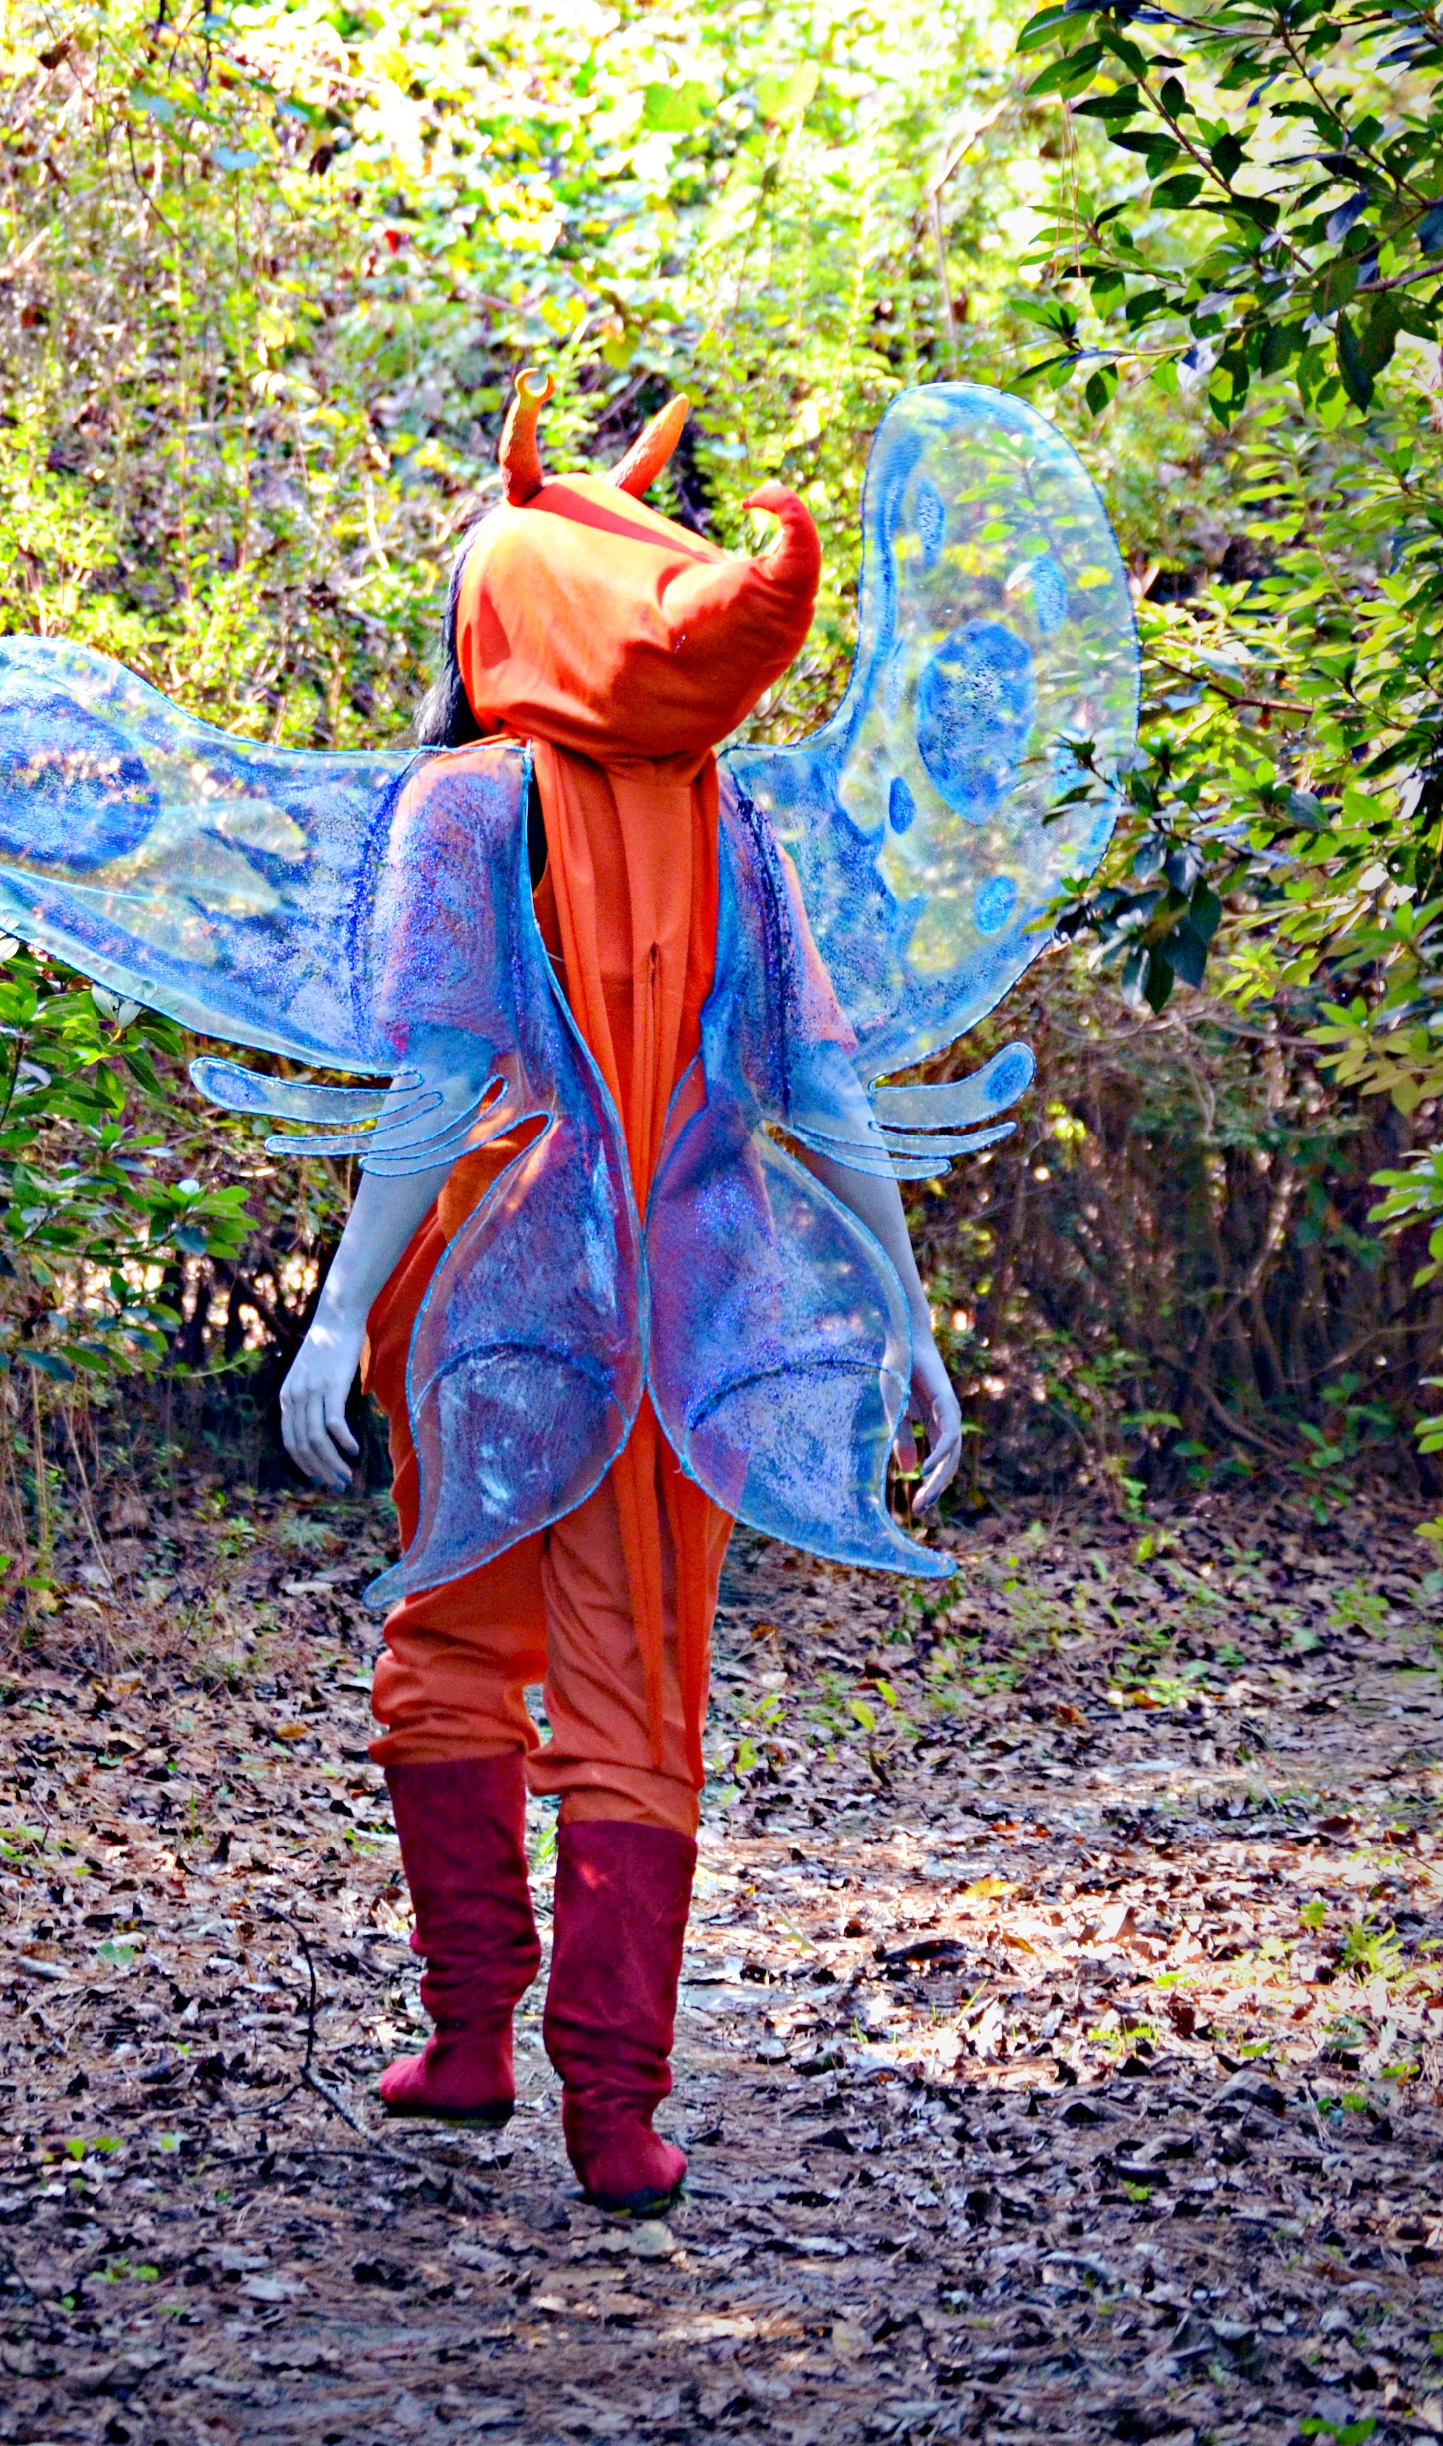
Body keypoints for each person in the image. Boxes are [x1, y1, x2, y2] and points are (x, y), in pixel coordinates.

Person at [276, 377, 962, 2216]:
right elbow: (822, 1091)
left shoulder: (460, 804)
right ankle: (607, 2106)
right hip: (672, 1305)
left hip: (481, 1300)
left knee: (450, 1633)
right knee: (634, 1674)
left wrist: (340, 1311)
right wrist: (901, 1310)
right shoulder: (732, 823)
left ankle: (474, 2036)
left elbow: (433, 1086)